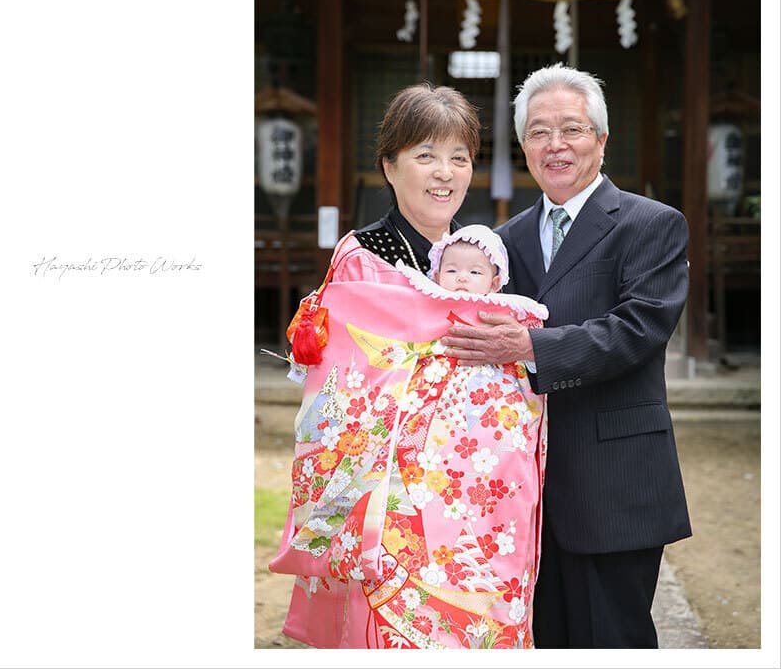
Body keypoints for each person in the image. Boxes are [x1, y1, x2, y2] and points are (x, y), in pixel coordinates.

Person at [269, 84, 549, 649]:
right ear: (389, 167)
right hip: (390, 501)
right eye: (425, 156)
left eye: (459, 158)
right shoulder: (362, 257)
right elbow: (344, 391)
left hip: (478, 495)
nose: (444, 173)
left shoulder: (479, 263)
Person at [441, 63, 692, 648]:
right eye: (538, 131)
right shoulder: (507, 239)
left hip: (614, 478)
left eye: (572, 130)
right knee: (539, 639)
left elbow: (640, 327)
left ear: (601, 140)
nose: (555, 145)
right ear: (523, 145)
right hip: (521, 487)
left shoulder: (651, 223)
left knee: (613, 639)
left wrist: (532, 347)